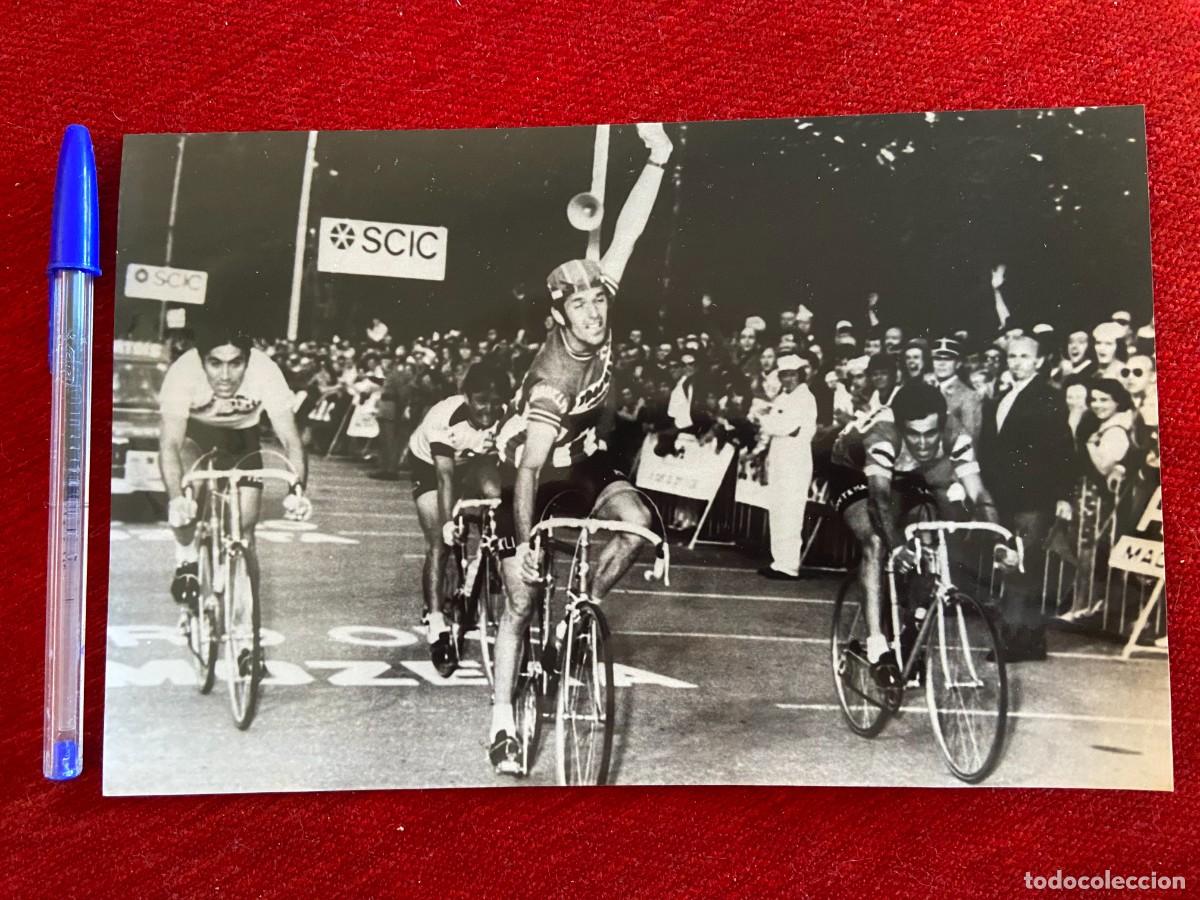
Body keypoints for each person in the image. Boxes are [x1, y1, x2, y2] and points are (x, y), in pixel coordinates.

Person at [486, 122, 674, 774]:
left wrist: (658, 156)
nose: (595, 312)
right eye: (581, 304)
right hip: (542, 472)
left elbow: (629, 232)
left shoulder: (602, 303)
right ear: (559, 315)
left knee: (638, 525)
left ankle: (581, 613)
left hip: (593, 456)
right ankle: (503, 722)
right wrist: (523, 546)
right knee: (520, 597)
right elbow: (530, 469)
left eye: (599, 298)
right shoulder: (551, 378)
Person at [829, 381, 998, 686]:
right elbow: (879, 501)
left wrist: (998, 537)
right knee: (877, 540)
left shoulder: (956, 433)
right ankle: (878, 647)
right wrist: (897, 547)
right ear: (900, 425)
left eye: (930, 433)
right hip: (852, 470)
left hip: (907, 473)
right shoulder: (882, 433)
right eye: (914, 433)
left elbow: (979, 492)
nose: (922, 442)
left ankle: (913, 624)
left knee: (930, 529)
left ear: (942, 424)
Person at [158, 324, 310, 637]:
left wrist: (297, 490)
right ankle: (186, 561)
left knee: (246, 532)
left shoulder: (266, 371)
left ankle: (245, 628)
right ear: (201, 361)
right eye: (215, 363)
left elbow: (291, 439)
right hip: (194, 435)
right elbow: (170, 443)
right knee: (186, 495)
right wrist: (176, 498)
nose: (225, 376)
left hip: (242, 439)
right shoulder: (182, 373)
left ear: (248, 359)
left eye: (235, 363)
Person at [978, 335, 1074, 662]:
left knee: (1019, 567)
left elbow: (1062, 449)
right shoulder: (1003, 396)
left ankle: (1012, 642)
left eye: (1024, 357)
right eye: (1012, 356)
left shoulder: (1048, 397)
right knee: (1021, 568)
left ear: (1038, 361)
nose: (1017, 362)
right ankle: (1031, 642)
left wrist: (1063, 496)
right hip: (1007, 497)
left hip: (1033, 499)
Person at [408, 364, 507, 676]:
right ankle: (436, 622)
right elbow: (445, 476)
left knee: (496, 495)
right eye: (481, 401)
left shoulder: (506, 414)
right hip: (431, 465)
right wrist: (449, 521)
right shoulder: (444, 417)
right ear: (466, 397)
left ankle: (483, 559)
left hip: (475, 460)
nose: (489, 409)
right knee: (439, 541)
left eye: (495, 401)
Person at [756, 355, 819, 580]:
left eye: (792, 374)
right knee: (778, 510)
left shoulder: (805, 397)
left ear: (799, 375)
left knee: (791, 513)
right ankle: (779, 561)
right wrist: (769, 422)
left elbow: (789, 427)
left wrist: (765, 420)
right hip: (780, 459)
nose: (788, 379)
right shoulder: (783, 397)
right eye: (784, 375)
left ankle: (789, 565)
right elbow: (775, 426)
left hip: (796, 461)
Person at [931, 337, 983, 442]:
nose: (941, 364)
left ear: (958, 364)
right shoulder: (928, 390)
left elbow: (970, 437)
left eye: (948, 359)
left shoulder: (968, 396)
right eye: (937, 358)